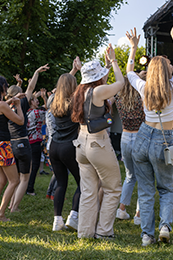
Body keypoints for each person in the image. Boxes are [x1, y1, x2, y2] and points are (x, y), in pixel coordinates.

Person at [126, 21, 173, 246]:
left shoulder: (143, 87)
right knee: (166, 188)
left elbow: (130, 72)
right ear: (167, 70)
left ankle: (146, 236)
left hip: (142, 138)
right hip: (164, 139)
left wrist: (133, 48)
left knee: (146, 189)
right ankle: (164, 227)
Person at [71, 44, 125, 239]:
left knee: (88, 191)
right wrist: (114, 63)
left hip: (81, 143)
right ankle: (103, 232)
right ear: (97, 78)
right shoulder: (98, 92)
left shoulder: (80, 92)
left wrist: (106, 65)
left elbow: (102, 82)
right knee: (113, 188)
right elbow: (120, 83)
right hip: (98, 144)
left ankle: (85, 233)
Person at [7, 64, 49, 211]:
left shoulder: (4, 107)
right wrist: (37, 71)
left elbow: (30, 90)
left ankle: (10, 204)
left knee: (14, 179)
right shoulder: (21, 104)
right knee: (24, 178)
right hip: (23, 144)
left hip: (10, 144)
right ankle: (14, 207)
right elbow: (30, 88)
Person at [0, 75, 24, 222]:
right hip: (3, 145)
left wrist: (9, 102)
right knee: (14, 181)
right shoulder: (1, 105)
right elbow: (20, 121)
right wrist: (19, 106)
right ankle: (0, 214)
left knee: (1, 181)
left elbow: (2, 109)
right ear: (1, 87)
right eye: (6, 85)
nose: (7, 88)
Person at [50, 57, 82, 231]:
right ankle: (73, 216)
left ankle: (57, 221)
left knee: (61, 183)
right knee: (83, 182)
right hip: (70, 147)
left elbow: (63, 87)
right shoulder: (75, 103)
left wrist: (73, 71)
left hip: (54, 147)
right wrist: (78, 72)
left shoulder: (53, 102)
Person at [114, 76, 145, 225]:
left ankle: (122, 209)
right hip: (139, 135)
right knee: (143, 177)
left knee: (129, 176)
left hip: (125, 136)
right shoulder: (141, 99)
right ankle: (138, 215)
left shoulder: (119, 100)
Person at [26, 89, 48, 195]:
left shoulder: (27, 111)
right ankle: (30, 188)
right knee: (35, 166)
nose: (37, 102)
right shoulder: (36, 113)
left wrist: (34, 96)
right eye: (35, 100)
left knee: (27, 166)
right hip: (35, 142)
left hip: (27, 141)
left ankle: (23, 186)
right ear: (31, 102)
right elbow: (48, 110)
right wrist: (44, 98)